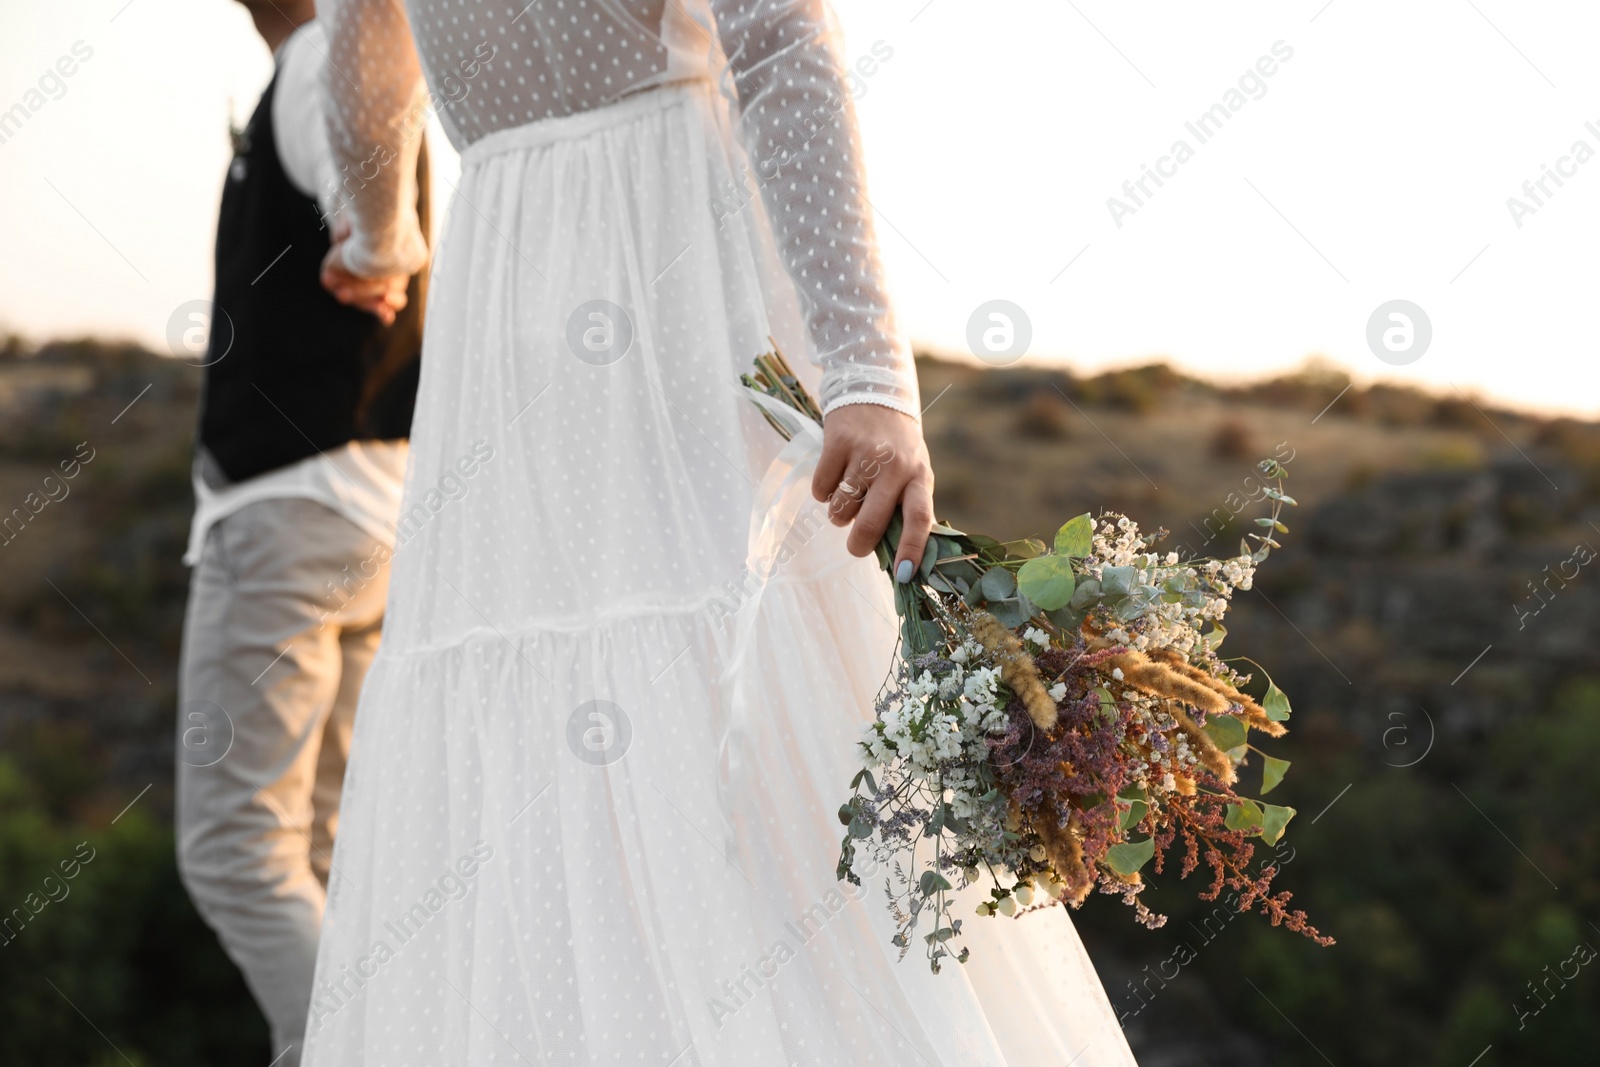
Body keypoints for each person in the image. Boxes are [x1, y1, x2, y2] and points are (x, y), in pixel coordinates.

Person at [305, 1, 1137, 1063]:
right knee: (755, 677)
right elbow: (780, 34)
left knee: (560, 717)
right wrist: (867, 369)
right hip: (675, 257)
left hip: (502, 279)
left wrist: (381, 234)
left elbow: (360, 52)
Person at [173, 3, 429, 1065]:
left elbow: (365, 166)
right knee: (325, 847)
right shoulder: (323, 59)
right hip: (371, 512)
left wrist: (373, 241)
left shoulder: (330, 55)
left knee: (234, 850)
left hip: (285, 515)